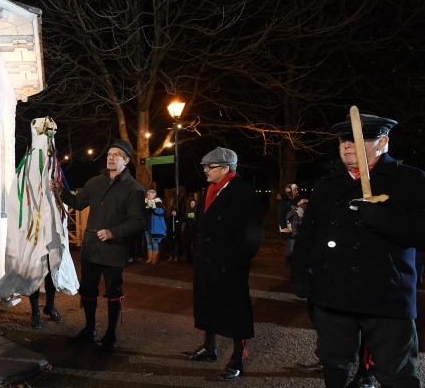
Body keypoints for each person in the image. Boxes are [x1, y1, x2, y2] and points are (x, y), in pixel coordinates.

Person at [291, 113, 424, 388]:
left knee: (396, 373)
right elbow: (309, 236)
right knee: (334, 362)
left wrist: (385, 220)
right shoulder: (327, 185)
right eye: (343, 139)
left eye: (360, 138)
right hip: (333, 294)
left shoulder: (410, 180)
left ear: (383, 141)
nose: (348, 145)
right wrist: (301, 273)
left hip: (387, 296)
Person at [50, 139, 144, 350]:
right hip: (91, 248)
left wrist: (113, 232)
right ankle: (89, 329)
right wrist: (60, 189)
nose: (111, 157)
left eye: (116, 155)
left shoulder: (134, 188)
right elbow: (77, 203)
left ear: (126, 161)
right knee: (88, 290)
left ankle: (111, 334)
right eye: (109, 154)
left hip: (114, 249)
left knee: (113, 291)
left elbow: (138, 222)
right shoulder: (95, 182)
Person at [182, 147, 261, 381]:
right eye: (204, 166)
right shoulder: (209, 189)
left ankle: (237, 359)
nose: (205, 171)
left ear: (226, 169)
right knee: (206, 304)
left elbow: (252, 234)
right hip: (206, 261)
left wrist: (238, 260)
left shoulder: (244, 192)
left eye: (210, 167)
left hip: (229, 264)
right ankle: (210, 348)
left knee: (236, 312)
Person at [0, 117, 78, 329]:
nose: (47, 141)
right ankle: (34, 312)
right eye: (44, 135)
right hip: (31, 228)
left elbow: (57, 195)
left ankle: (50, 306)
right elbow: (19, 199)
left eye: (50, 136)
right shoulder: (28, 165)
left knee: (52, 266)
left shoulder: (53, 164)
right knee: (32, 267)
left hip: (51, 227)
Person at [278, 184, 299, 267]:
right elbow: (281, 215)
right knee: (291, 244)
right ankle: (289, 262)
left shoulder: (297, 200)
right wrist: (284, 227)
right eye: (295, 190)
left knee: (296, 245)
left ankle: (294, 261)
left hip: (296, 227)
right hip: (289, 227)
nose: (297, 191)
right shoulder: (284, 202)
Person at [143, 189, 165, 264]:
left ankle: (155, 258)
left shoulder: (158, 203)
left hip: (154, 225)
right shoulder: (145, 203)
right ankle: (150, 258)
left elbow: (161, 212)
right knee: (148, 242)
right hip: (147, 224)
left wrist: (153, 207)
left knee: (154, 241)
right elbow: (144, 212)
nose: (147, 196)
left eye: (149, 195)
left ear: (153, 195)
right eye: (147, 195)